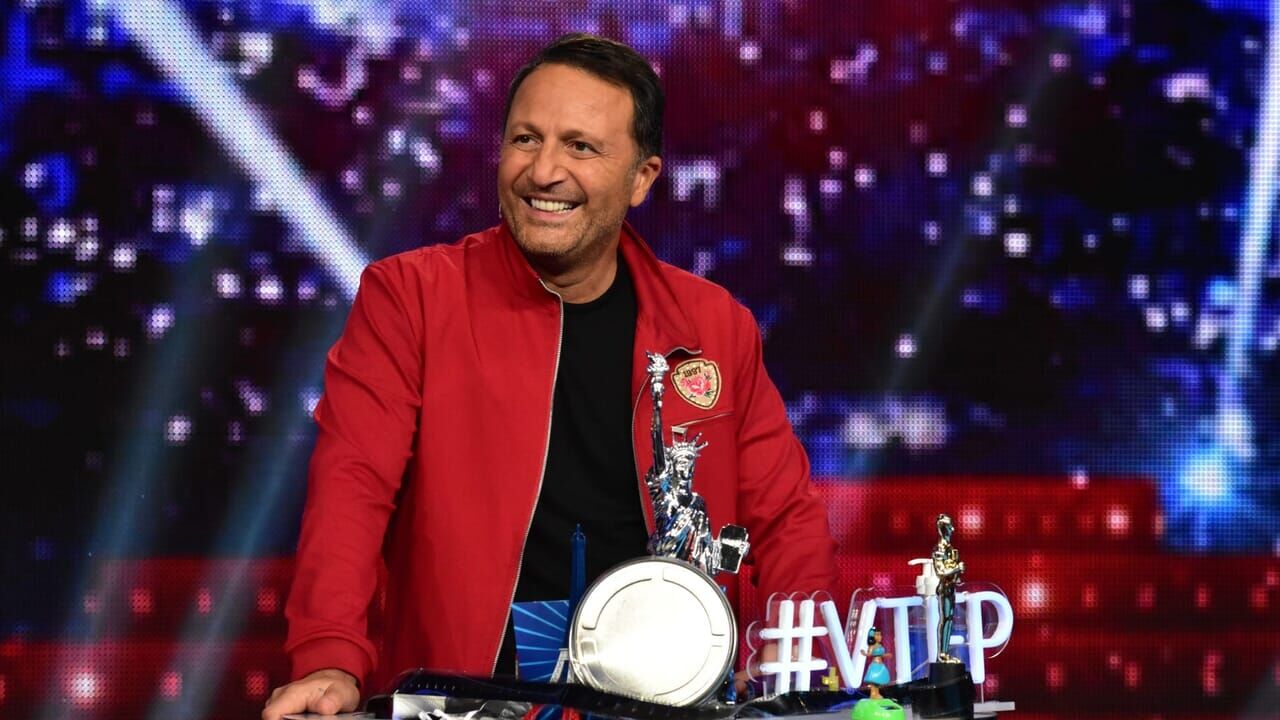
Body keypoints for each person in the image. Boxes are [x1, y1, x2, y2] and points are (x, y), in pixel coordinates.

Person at [263, 33, 836, 720]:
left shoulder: (715, 325)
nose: (543, 171)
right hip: (467, 703)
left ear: (642, 177)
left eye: (581, 147)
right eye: (525, 139)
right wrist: (329, 657)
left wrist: (798, 654)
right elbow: (351, 489)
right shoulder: (410, 298)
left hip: (672, 703)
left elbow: (785, 519)